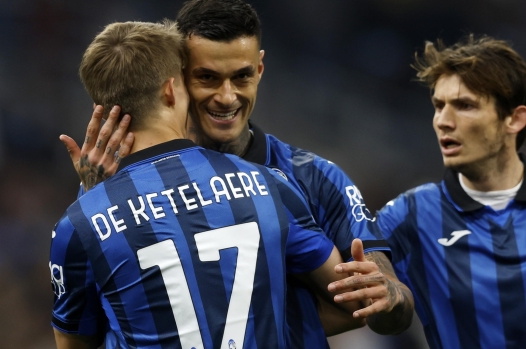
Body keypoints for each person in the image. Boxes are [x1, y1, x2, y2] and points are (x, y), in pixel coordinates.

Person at [59, 0, 415, 346]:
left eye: (241, 76)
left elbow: (390, 308)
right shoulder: (104, 193)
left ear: (259, 69)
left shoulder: (316, 178)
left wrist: (388, 297)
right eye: (208, 78)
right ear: (176, 80)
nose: (227, 97)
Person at [339, 34, 526, 348]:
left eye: (464, 106)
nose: (443, 121)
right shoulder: (410, 214)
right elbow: (377, 273)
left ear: (515, 118)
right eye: (438, 106)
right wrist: (386, 288)